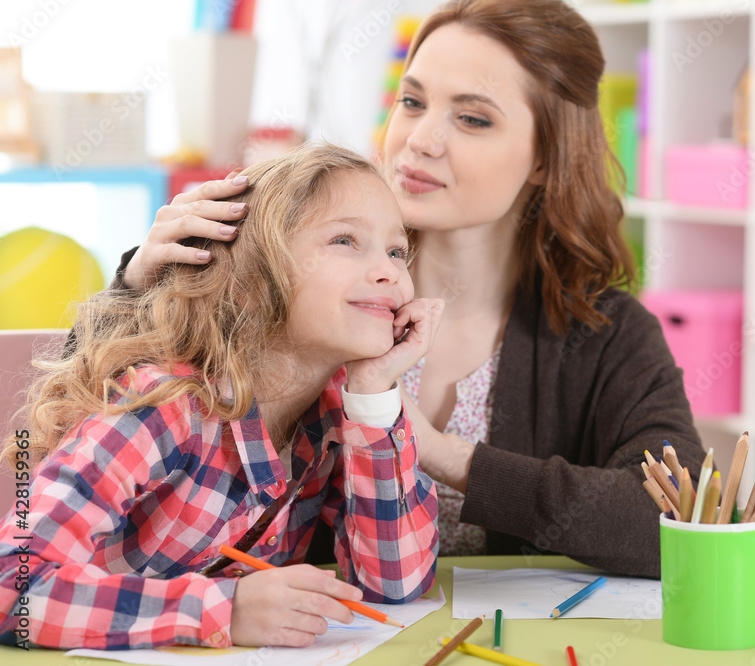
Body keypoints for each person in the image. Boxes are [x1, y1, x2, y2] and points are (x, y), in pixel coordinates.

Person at [92, 0, 706, 579]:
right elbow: (69, 428)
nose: (420, 139)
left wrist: (445, 456)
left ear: (546, 155)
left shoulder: (606, 334)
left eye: (472, 118)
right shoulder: (301, 284)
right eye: (412, 102)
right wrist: (134, 289)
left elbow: (679, 519)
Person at [0, 142, 442, 650]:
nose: (390, 271)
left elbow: (395, 585)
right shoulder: (161, 406)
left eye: (396, 251)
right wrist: (220, 611)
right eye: (344, 239)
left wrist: (375, 392)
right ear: (250, 282)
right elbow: (14, 588)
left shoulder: (337, 413)